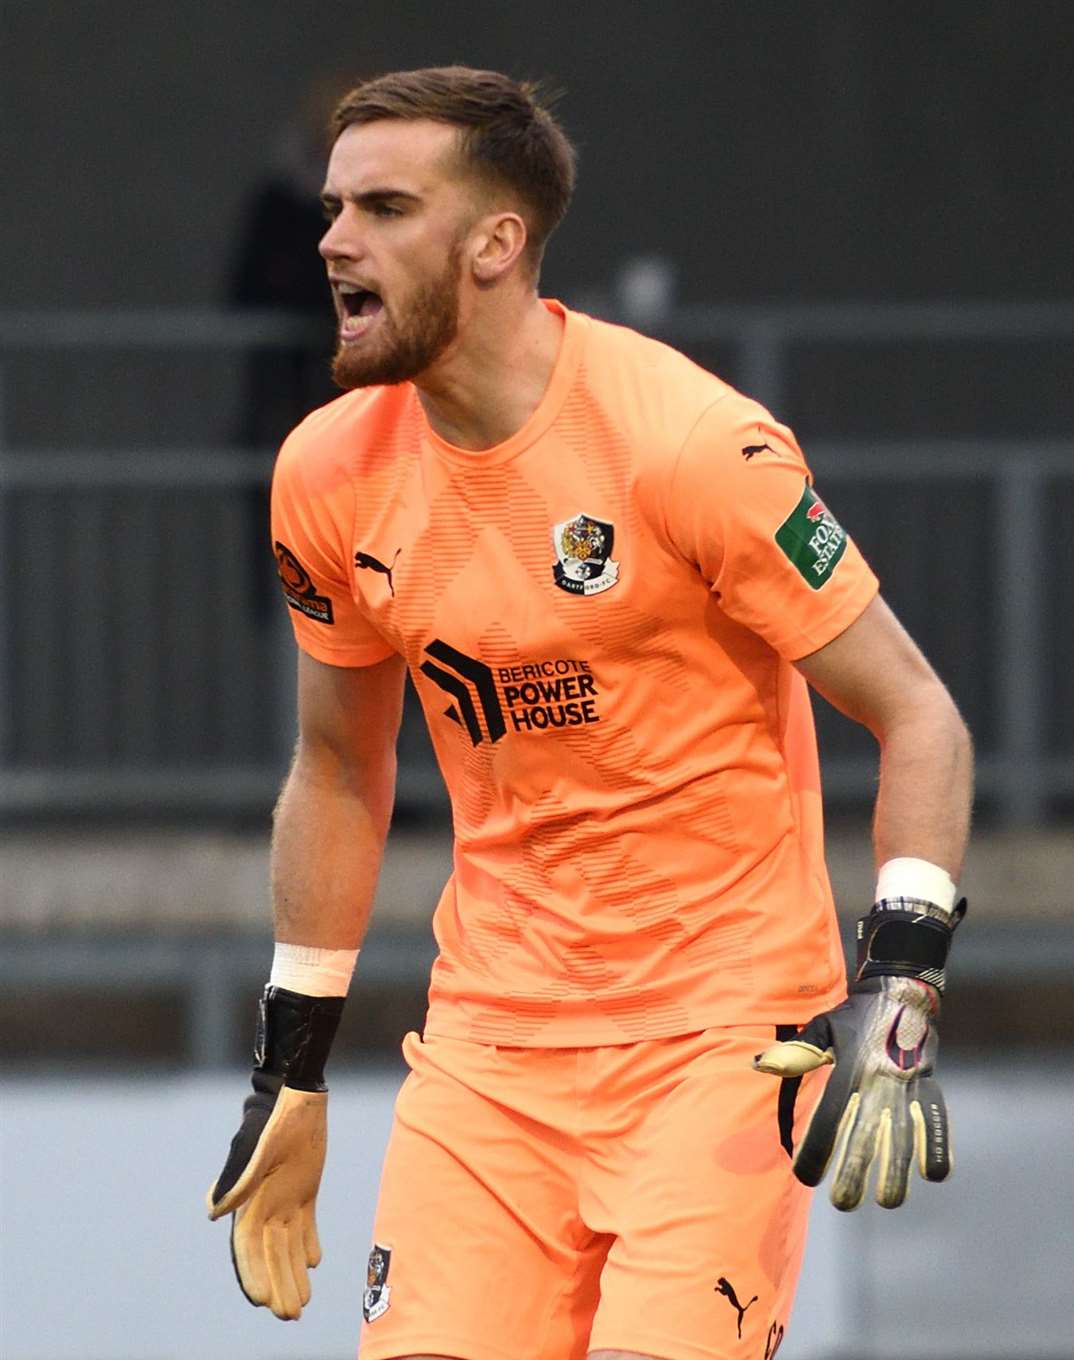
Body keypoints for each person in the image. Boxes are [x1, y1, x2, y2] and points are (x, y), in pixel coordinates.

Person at [206, 66, 973, 1360]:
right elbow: (340, 768)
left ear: (497, 243)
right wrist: (292, 1062)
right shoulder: (327, 473)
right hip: (489, 1052)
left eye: (385, 207)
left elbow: (920, 715)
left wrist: (900, 999)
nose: (335, 238)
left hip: (721, 1047)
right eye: (336, 205)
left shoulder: (689, 446)